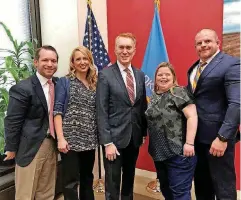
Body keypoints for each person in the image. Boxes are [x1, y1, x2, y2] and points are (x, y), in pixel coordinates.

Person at [187, 29, 240, 200]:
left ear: (218, 43)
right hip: (197, 139)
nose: (203, 45)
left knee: (223, 188)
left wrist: (223, 137)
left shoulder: (231, 64)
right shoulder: (194, 67)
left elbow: (237, 104)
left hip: (217, 141)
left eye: (207, 41)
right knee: (202, 186)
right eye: (199, 43)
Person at [96, 32, 147, 200]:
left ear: (134, 50)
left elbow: (141, 106)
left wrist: (143, 132)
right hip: (114, 140)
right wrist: (107, 142)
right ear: (115, 49)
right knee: (112, 182)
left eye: (128, 47)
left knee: (129, 179)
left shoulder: (139, 75)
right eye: (121, 47)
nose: (125, 51)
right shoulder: (105, 75)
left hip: (134, 137)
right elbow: (101, 110)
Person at [4, 45, 58, 200]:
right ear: (35, 62)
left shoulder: (58, 84)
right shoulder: (22, 88)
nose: (49, 64)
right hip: (29, 147)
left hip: (51, 144)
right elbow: (12, 120)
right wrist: (11, 148)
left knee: (47, 192)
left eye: (53, 61)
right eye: (45, 60)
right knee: (25, 193)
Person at [145, 62, 198, 200]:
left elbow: (192, 116)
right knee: (166, 190)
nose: (163, 77)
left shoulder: (179, 92)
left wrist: (190, 143)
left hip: (178, 153)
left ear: (173, 77)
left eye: (167, 74)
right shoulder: (154, 96)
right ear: (155, 78)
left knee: (180, 193)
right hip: (159, 154)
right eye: (160, 74)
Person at [54, 46, 98, 200]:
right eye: (78, 59)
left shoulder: (94, 83)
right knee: (70, 182)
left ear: (90, 61)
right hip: (70, 141)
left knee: (87, 178)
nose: (82, 62)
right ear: (72, 63)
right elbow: (57, 112)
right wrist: (61, 138)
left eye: (85, 58)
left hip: (90, 140)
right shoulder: (64, 82)